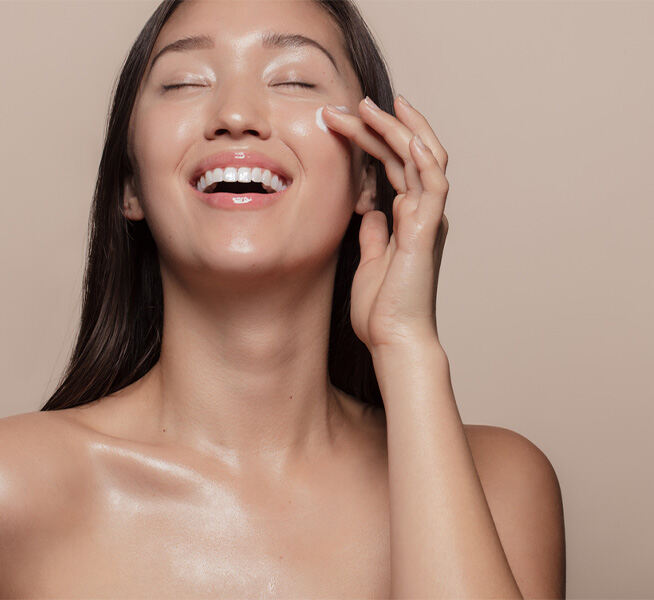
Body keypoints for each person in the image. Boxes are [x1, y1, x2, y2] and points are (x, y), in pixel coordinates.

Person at [0, 0, 565, 596]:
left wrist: (406, 348)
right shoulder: (15, 485)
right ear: (131, 184)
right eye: (186, 81)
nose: (236, 114)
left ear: (370, 175)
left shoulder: (500, 483)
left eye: (293, 78)